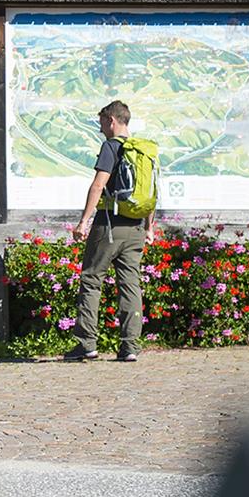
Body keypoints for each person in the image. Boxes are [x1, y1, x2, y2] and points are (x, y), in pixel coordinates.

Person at [66, 99, 148, 363]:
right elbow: (150, 194)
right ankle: (130, 347)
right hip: (136, 227)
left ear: (112, 120)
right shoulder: (144, 151)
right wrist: (149, 227)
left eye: (102, 122)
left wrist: (84, 222)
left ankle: (86, 343)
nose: (101, 128)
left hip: (109, 226)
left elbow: (98, 186)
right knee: (131, 284)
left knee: (91, 279)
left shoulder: (111, 147)